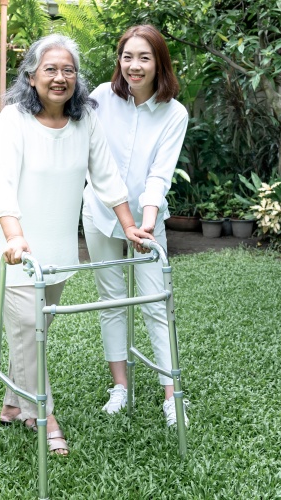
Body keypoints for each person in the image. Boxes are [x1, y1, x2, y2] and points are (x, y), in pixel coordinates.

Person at [0, 34, 153, 456]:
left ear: (78, 77)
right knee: (28, 332)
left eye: (68, 70)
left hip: (56, 254)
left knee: (33, 333)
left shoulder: (85, 120)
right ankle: (46, 417)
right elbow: (1, 183)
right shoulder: (13, 119)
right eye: (50, 69)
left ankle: (13, 403)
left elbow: (106, 175)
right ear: (32, 75)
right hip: (16, 249)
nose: (60, 77)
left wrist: (129, 226)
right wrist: (16, 235)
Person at [82, 25, 190, 427]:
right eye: (128, 56)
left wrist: (145, 226)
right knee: (111, 301)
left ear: (159, 62)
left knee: (157, 303)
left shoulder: (174, 113)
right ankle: (120, 387)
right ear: (119, 60)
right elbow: (88, 158)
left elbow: (159, 176)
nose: (134, 65)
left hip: (147, 221)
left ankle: (171, 394)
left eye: (144, 57)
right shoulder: (98, 98)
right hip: (98, 213)